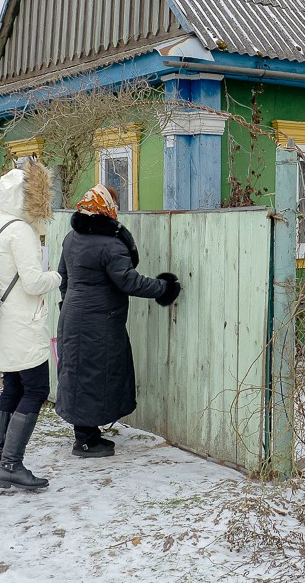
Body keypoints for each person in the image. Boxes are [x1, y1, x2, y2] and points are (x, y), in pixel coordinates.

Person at [54, 184, 181, 458]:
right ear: (106, 208)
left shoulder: (71, 237)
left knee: (78, 373)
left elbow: (63, 277)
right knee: (95, 374)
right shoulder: (110, 245)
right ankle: (86, 441)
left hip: (73, 315)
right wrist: (164, 288)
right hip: (99, 321)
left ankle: (86, 434)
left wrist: (68, 305)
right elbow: (129, 281)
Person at [0, 160, 62, 490]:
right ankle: (11, 465)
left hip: (1, 323)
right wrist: (57, 276)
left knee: (13, 388)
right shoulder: (21, 231)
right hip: (22, 323)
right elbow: (32, 282)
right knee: (37, 389)